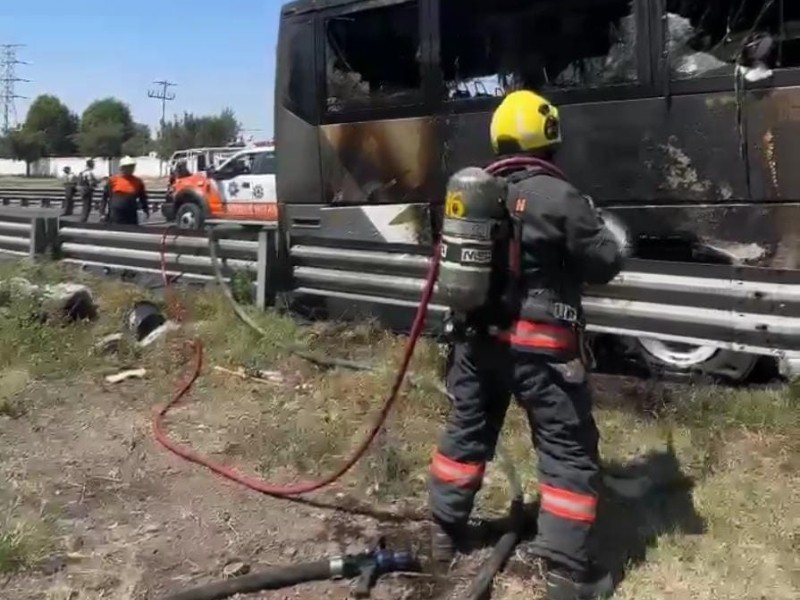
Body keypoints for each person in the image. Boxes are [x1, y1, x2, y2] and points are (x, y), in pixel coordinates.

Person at [428, 90, 629, 600]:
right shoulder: (560, 197)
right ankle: (567, 576)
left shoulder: (477, 193)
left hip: (479, 345)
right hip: (545, 355)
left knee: (465, 435)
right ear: (550, 137)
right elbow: (605, 262)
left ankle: (442, 536)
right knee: (565, 452)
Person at [100, 156, 149, 225]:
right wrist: (102, 212)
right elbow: (105, 197)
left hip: (131, 213)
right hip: (116, 213)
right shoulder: (113, 180)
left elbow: (143, 198)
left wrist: (146, 210)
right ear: (122, 168)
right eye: (127, 167)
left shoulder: (138, 181)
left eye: (131, 167)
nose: (129, 169)